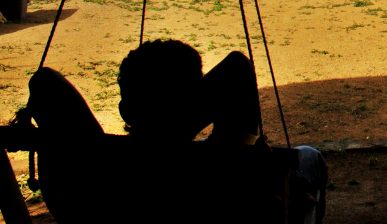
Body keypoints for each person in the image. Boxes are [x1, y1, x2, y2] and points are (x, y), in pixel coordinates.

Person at [28, 40, 326, 224]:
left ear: (126, 110)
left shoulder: (91, 164)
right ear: (197, 106)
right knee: (309, 158)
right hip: (210, 188)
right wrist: (181, 123)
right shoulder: (223, 161)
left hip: (121, 186)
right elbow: (237, 67)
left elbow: (44, 83)